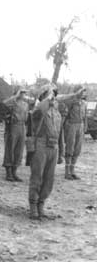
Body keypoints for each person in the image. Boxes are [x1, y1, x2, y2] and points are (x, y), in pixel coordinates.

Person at [28, 84, 85, 220]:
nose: (53, 97)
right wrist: (48, 98)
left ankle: (41, 205)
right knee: (37, 177)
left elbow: (59, 134)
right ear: (43, 96)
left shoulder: (57, 112)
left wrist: (60, 153)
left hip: (53, 147)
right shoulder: (38, 110)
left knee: (49, 179)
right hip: (40, 145)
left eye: (54, 94)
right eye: (50, 94)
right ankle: (33, 207)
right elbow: (41, 108)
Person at [59, 85, 87, 180]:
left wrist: (85, 126)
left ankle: (72, 170)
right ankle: (67, 172)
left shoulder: (83, 103)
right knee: (70, 148)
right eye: (82, 91)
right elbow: (65, 114)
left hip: (80, 125)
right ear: (77, 92)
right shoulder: (71, 102)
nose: (83, 93)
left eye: (84, 91)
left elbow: (85, 116)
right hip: (71, 125)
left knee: (77, 149)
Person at [2, 88, 29, 182]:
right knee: (10, 148)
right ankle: (8, 172)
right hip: (13, 126)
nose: (23, 94)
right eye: (21, 92)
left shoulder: (26, 104)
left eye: (24, 92)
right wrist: (16, 96)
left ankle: (14, 172)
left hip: (22, 126)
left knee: (19, 150)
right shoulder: (12, 102)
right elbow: (4, 103)